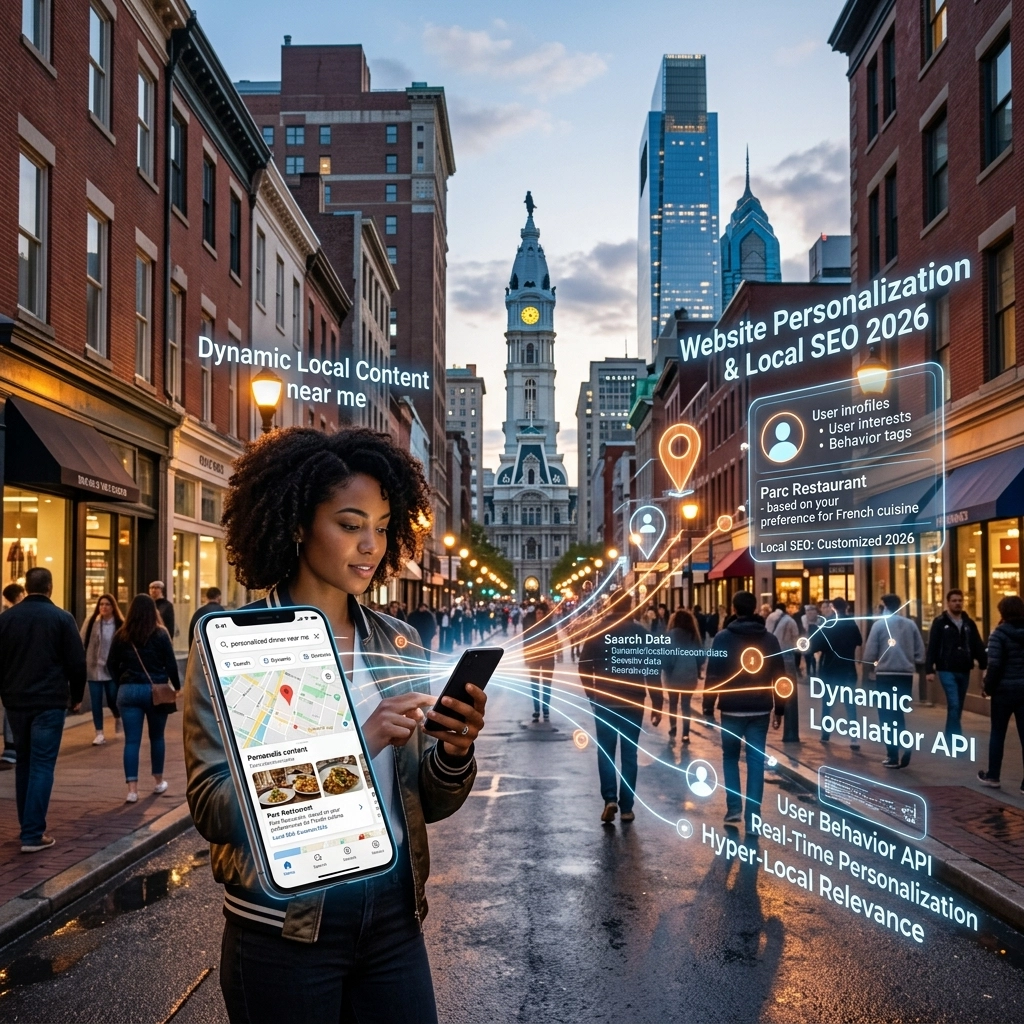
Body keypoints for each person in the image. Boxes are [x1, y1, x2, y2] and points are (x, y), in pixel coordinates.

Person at [184, 426, 485, 1023]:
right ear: (297, 523)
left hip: (395, 916)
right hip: (287, 928)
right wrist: (356, 740)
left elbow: (423, 799)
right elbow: (213, 806)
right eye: (350, 525)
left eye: (381, 525)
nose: (371, 545)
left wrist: (453, 752)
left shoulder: (397, 641)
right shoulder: (244, 641)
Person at [0, 567, 86, 852]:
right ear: (50, 587)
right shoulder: (62, 618)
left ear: (27, 586)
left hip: (15, 702)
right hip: (49, 701)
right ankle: (33, 833)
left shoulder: (7, 619)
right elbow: (76, 662)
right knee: (41, 765)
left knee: (23, 762)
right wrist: (76, 697)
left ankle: (28, 826)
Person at [704, 591, 785, 825]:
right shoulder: (769, 640)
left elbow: (713, 675)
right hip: (760, 709)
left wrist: (708, 706)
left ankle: (734, 809)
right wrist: (779, 710)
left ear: (734, 608)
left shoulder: (722, 638)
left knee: (730, 757)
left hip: (731, 708)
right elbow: (780, 677)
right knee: (756, 762)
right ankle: (753, 815)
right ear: (755, 608)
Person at [579, 597, 647, 824]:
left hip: (605, 701)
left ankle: (610, 798)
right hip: (634, 701)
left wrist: (592, 694)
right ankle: (627, 807)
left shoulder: (598, 630)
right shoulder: (641, 632)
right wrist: (656, 701)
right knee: (630, 755)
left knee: (606, 751)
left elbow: (584, 666)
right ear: (630, 608)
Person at [107, 594, 180, 802]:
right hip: (155, 690)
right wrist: (176, 685)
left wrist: (121, 679)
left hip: (128, 691)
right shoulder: (160, 634)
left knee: (132, 741)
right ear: (153, 611)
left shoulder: (122, 635)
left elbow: (110, 664)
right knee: (157, 737)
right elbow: (171, 663)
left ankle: (132, 790)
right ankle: (158, 782)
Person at [863, 594, 925, 768]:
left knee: (886, 716)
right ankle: (905, 742)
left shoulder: (879, 625)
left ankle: (892, 755)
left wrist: (867, 675)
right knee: (898, 713)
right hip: (905, 676)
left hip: (885, 675)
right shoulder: (910, 624)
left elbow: (869, 654)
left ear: (884, 606)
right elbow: (920, 653)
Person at [926, 588, 987, 742]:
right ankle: (955, 740)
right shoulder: (940, 623)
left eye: (960, 600)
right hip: (946, 669)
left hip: (964, 669)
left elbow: (977, 644)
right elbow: (932, 646)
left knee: (958, 705)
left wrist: (983, 664)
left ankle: (949, 736)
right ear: (948, 603)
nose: (957, 603)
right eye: (954, 601)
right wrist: (929, 669)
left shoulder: (969, 623)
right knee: (953, 703)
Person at [978, 595, 1024, 790]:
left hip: (1003, 691)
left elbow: (994, 664)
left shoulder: (998, 634)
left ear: (1002, 612)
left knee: (998, 733)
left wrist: (987, 687)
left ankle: (993, 775)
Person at [808, 596, 863, 749]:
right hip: (848, 669)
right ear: (846, 607)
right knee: (850, 704)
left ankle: (826, 734)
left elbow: (815, 645)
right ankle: (854, 738)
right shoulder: (851, 623)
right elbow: (859, 641)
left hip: (830, 669)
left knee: (828, 702)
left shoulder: (829, 624)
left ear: (833, 607)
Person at [81, 593, 124, 745]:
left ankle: (118, 717)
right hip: (94, 667)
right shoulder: (92, 621)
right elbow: (82, 640)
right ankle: (99, 733)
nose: (103, 607)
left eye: (107, 604)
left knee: (113, 698)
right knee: (96, 702)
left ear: (113, 607)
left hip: (111, 669)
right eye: (101, 604)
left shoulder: (119, 623)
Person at [661, 609, 705, 742]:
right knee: (686, 705)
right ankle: (686, 733)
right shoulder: (693, 636)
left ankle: (673, 727)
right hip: (689, 675)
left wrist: (667, 669)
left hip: (673, 674)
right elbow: (701, 657)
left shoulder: (670, 635)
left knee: (673, 703)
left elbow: (665, 656)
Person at [1, 583, 26, 765]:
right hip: (27, 673)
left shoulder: (5, 617)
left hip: (9, 674)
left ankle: (10, 747)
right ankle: (16, 746)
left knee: (10, 709)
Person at [523, 599, 556, 723]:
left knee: (547, 685)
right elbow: (525, 642)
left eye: (542, 613)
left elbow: (555, 640)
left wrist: (557, 651)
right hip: (534, 659)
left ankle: (546, 709)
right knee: (535, 685)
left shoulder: (550, 626)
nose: (539, 615)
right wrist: (526, 657)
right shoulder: (530, 627)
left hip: (548, 659)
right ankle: (537, 709)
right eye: (538, 613)